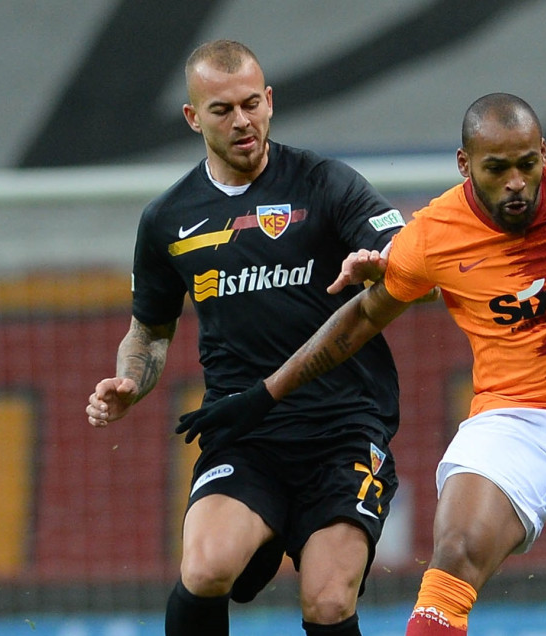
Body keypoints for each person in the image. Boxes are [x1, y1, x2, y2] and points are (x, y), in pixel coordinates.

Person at [177, 92, 546, 636]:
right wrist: (266, 393)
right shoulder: (433, 236)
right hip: (512, 419)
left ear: (542, 154)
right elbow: (361, 318)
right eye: (495, 169)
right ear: (465, 165)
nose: (516, 184)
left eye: (526, 166)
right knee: (455, 558)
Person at [84, 40, 408, 636]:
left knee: (328, 603)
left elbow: (406, 252)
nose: (242, 122)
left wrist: (383, 262)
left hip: (343, 430)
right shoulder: (167, 219)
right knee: (205, 571)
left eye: (252, 104)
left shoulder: (325, 183)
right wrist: (131, 378)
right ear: (192, 117)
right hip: (244, 431)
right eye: (222, 110)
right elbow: (149, 333)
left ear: (270, 101)